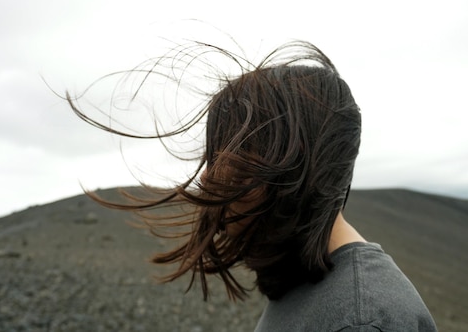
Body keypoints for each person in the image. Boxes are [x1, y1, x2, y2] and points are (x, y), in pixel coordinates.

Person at [67, 41, 438, 331]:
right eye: (216, 160)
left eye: (232, 162)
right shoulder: (308, 288)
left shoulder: (363, 318)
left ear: (293, 169)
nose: (210, 183)